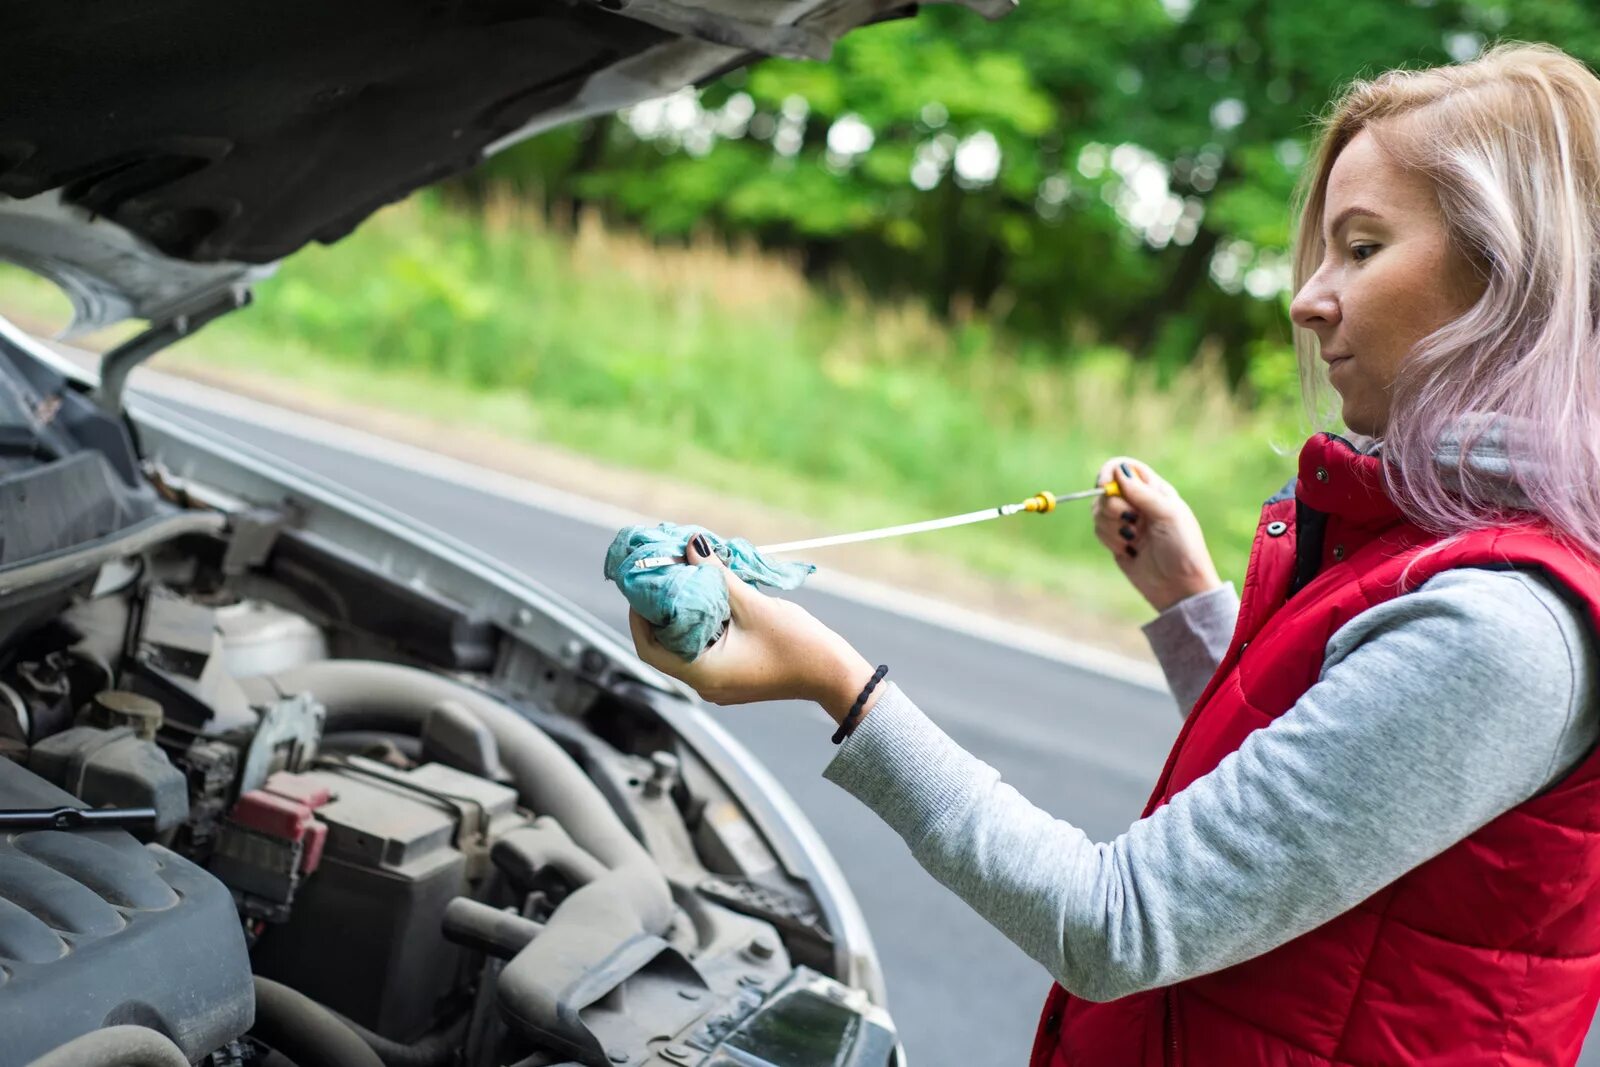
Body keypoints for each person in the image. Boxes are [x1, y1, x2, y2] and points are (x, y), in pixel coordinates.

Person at [627, 43, 1600, 1065]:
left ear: (1510, 280)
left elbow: (1116, 923)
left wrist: (836, 683)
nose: (1307, 300)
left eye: (1359, 248)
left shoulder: (1500, 628)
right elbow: (1329, 800)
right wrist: (1191, 609)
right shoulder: (1437, 552)